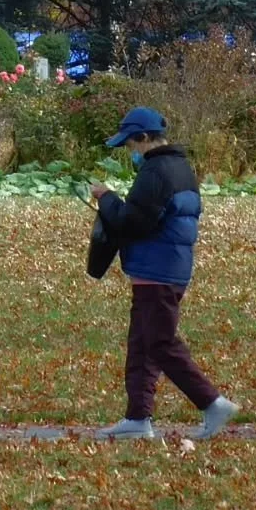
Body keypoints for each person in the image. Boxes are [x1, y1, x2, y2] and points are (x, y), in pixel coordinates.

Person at [89, 104, 238, 441]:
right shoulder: (182, 167)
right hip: (167, 266)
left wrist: (107, 198)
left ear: (144, 138)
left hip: (156, 268)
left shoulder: (155, 173)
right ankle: (137, 418)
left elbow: (135, 222)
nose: (131, 151)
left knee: (159, 342)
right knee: (142, 343)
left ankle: (211, 402)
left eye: (131, 144)